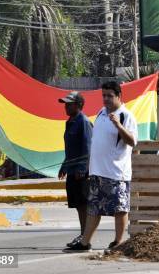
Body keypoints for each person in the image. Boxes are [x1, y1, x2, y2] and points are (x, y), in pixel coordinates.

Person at [65, 81, 138, 252]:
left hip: (116, 172)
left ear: (119, 96)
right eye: (103, 95)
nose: (105, 99)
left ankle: (118, 241)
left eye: (110, 96)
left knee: (119, 208)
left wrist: (118, 126)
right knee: (93, 209)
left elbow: (132, 141)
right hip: (98, 171)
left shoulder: (125, 116)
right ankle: (85, 242)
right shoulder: (101, 113)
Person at [58, 91, 92, 248]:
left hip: (81, 172)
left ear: (79, 105)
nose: (66, 106)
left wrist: (82, 168)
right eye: (65, 103)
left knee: (83, 204)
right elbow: (71, 148)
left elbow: (87, 147)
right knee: (78, 205)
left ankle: (85, 237)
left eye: (69, 104)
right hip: (72, 169)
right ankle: (83, 234)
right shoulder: (70, 121)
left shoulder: (83, 122)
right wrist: (64, 165)